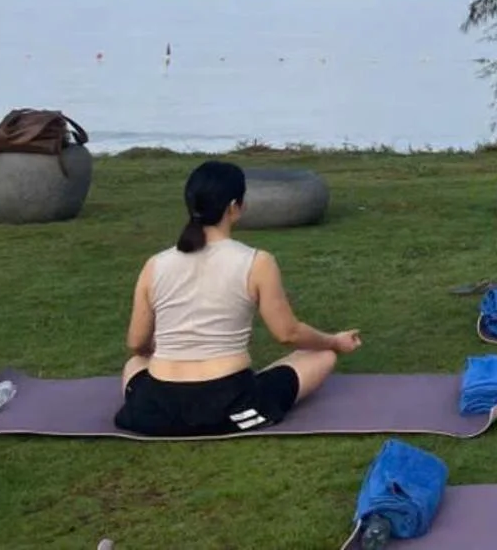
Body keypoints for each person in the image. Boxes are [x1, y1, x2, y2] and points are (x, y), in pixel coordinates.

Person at [114, 159, 360, 436]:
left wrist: (171, 354)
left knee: (135, 364)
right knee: (322, 356)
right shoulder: (257, 262)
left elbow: (136, 344)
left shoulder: (155, 264)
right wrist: (334, 341)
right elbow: (288, 333)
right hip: (227, 407)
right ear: (234, 207)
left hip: (154, 411)